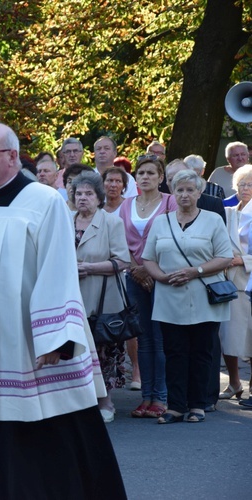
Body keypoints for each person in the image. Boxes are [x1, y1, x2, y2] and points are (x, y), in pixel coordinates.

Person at [0, 123, 125, 499]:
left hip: (25, 342)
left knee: (39, 429)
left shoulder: (44, 201)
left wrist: (54, 338)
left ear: (12, 156)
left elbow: (57, 270)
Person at [142, 169, 233, 423]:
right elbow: (148, 258)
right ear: (173, 192)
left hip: (204, 296)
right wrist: (160, 277)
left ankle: (198, 405)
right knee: (174, 352)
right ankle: (175, 406)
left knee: (202, 352)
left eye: (189, 190)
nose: (184, 195)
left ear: (199, 193)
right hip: (169, 296)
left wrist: (196, 271)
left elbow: (225, 257)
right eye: (179, 190)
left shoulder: (213, 220)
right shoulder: (161, 221)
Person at [118, 154, 177, 419]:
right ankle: (146, 397)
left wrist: (152, 270)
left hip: (162, 276)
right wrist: (136, 268)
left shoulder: (170, 203)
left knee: (160, 337)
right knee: (142, 338)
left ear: (161, 178)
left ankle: (161, 398)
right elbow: (120, 240)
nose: (145, 177)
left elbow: (175, 238)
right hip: (134, 277)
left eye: (151, 173)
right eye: (141, 173)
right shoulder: (126, 204)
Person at [71, 171, 130, 423]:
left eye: (88, 194)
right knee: (75, 349)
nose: (83, 198)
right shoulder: (65, 219)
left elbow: (123, 260)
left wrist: (89, 268)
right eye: (78, 193)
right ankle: (79, 402)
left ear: (99, 197)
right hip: (72, 297)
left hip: (102, 297)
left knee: (103, 349)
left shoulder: (111, 222)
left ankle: (106, 402)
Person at [219, 165, 252, 402]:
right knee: (227, 336)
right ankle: (234, 382)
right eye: (241, 184)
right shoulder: (229, 212)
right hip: (227, 283)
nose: (246, 188)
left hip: (248, 281)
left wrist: (243, 259)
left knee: (249, 337)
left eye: (250, 184)